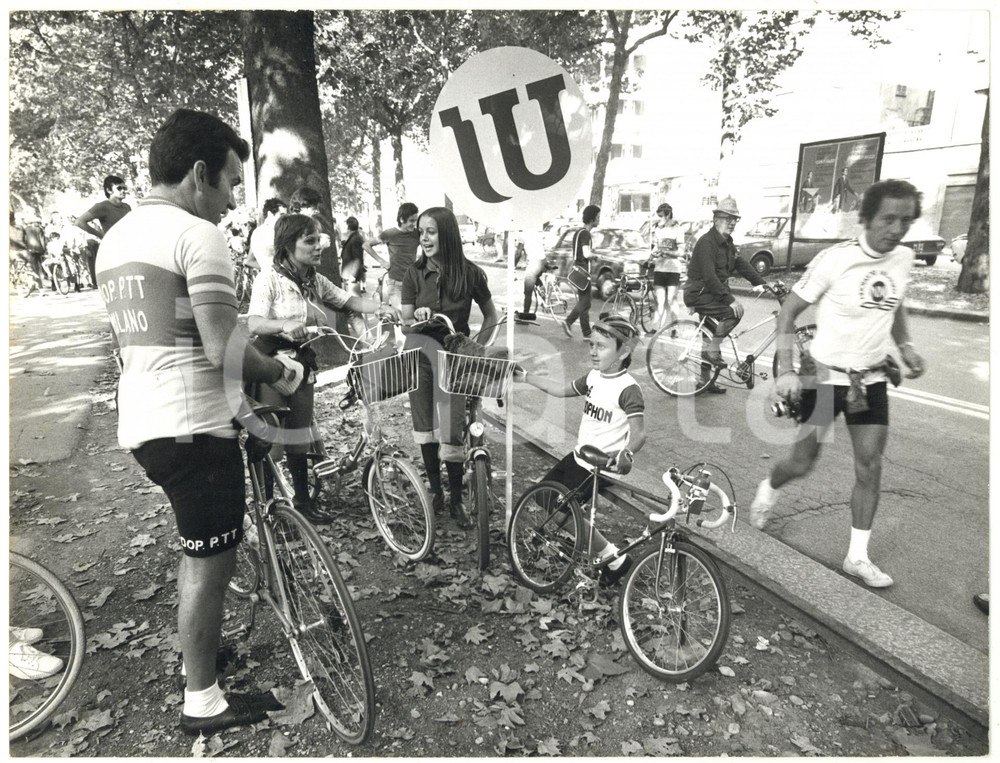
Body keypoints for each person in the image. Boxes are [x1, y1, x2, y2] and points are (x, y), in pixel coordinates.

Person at [95, 108, 303, 735]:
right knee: (210, 560)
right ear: (198, 173)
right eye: (232, 182)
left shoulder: (117, 238)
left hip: (146, 423)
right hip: (193, 425)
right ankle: (203, 699)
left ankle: (203, 652)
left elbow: (168, 338)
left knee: (198, 548)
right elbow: (221, 347)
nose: (234, 199)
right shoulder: (196, 234)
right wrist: (280, 375)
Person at [750, 179, 927, 589]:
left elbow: (895, 304)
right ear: (865, 218)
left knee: (870, 465)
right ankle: (769, 487)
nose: (897, 229)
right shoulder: (835, 260)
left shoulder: (903, 259)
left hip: (871, 379)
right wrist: (789, 370)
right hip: (824, 379)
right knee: (801, 462)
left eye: (905, 220)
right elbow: (788, 314)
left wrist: (907, 346)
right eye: (888, 219)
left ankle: (856, 557)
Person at [247, 213, 398, 522]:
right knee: (273, 440)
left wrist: (382, 308)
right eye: (310, 241)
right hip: (272, 364)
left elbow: (348, 301)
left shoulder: (314, 279)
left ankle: (303, 505)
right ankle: (267, 510)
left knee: (300, 435)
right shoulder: (269, 278)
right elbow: (255, 321)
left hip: (302, 364)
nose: (319, 247)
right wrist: (285, 324)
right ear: (288, 245)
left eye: (320, 240)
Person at [514, 315, 646, 586]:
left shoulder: (628, 389)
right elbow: (561, 390)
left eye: (601, 347)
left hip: (600, 466)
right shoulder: (593, 377)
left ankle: (614, 557)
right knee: (544, 498)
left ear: (623, 352)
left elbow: (640, 433)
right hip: (578, 457)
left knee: (562, 514)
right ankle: (602, 551)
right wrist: (526, 376)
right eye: (592, 345)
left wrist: (627, 453)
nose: (594, 352)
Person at [401, 206, 499, 529]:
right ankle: (435, 492)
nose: (424, 238)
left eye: (431, 231)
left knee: (452, 428)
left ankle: (456, 499)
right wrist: (414, 317)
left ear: (447, 233)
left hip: (455, 358)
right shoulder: (413, 274)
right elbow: (404, 323)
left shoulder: (471, 274)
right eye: (421, 232)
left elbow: (491, 316)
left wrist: (477, 348)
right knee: (425, 424)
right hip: (419, 355)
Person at [683, 196, 767, 394]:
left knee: (710, 335)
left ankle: (705, 381)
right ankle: (713, 351)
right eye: (727, 218)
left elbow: (741, 264)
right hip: (700, 293)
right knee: (734, 312)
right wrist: (730, 300)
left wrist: (762, 283)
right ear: (716, 219)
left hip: (711, 293)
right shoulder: (707, 243)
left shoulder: (727, 243)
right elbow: (709, 277)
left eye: (734, 219)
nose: (731, 223)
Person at [76, 174, 132, 286]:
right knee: (120, 283)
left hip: (130, 249)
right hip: (114, 251)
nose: (123, 191)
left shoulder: (127, 207)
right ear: (109, 190)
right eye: (119, 188)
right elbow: (79, 222)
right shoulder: (102, 206)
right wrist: (101, 235)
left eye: (124, 188)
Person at [362, 202, 419, 311]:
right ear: (402, 219)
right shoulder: (390, 234)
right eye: (412, 220)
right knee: (401, 316)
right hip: (396, 284)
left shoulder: (417, 234)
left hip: (414, 282)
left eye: (415, 220)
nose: (414, 224)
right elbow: (366, 245)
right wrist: (382, 261)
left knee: (415, 318)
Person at [563, 204, 601, 339]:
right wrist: (595, 256)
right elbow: (586, 254)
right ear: (592, 219)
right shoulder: (585, 234)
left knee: (585, 301)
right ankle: (568, 321)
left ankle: (586, 332)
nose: (599, 219)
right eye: (597, 217)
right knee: (585, 301)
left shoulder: (578, 232)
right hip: (583, 270)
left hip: (578, 270)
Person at [649, 202, 685, 334]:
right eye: (658, 216)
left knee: (671, 299)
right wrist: (653, 254)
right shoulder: (658, 229)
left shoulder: (678, 229)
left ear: (668, 214)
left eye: (661, 216)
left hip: (672, 269)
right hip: (660, 268)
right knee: (659, 300)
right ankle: (655, 327)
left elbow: (681, 251)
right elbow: (656, 247)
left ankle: (674, 327)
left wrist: (668, 253)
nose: (659, 219)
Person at [514, 227, 548, 321]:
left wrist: (513, 265)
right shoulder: (535, 230)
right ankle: (542, 290)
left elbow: (518, 253)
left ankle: (525, 318)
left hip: (534, 264)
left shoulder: (522, 235)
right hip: (543, 262)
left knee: (527, 292)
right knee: (534, 277)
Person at [245, 197, 286, 273]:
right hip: (279, 277)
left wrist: (265, 269)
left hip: (266, 276)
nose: (285, 219)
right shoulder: (275, 232)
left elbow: (249, 261)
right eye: (282, 215)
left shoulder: (256, 232)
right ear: (270, 214)